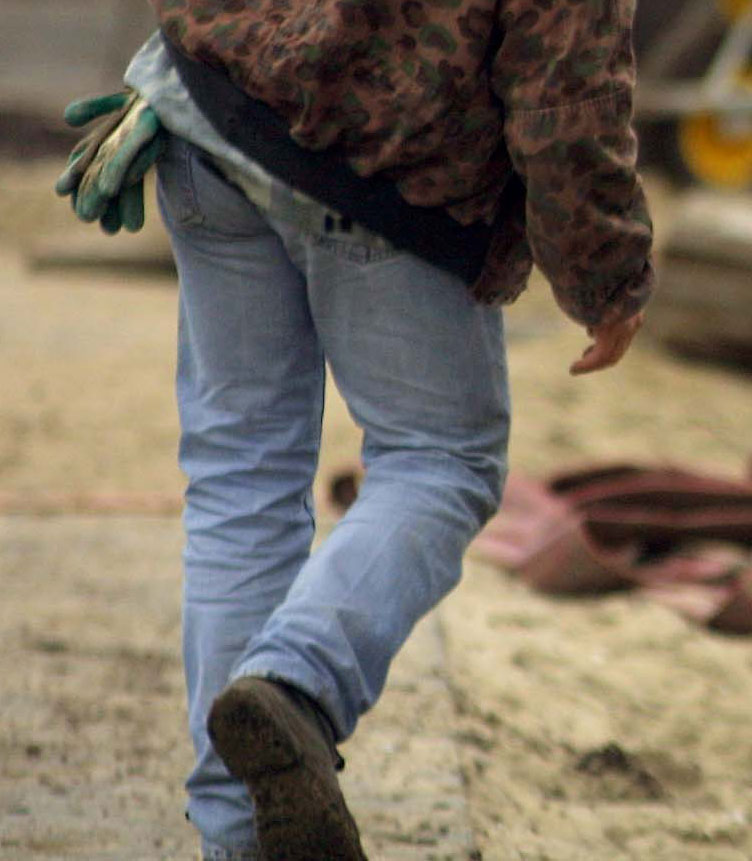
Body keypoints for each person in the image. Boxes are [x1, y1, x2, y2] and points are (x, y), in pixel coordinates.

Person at [56, 2, 654, 858]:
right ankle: (296, 678)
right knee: (440, 459)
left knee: (241, 479)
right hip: (388, 172)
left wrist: (177, 62)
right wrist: (607, 274)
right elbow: (568, 91)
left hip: (214, 125)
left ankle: (241, 837)